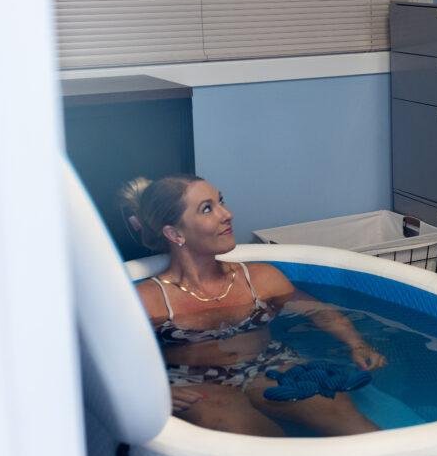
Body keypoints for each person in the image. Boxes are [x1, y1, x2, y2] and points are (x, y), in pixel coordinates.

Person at [121, 174, 385, 437]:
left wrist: (356, 343)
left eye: (221, 201)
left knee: (338, 412)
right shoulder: (149, 299)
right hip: (191, 380)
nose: (227, 214)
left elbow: (318, 311)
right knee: (240, 429)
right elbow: (111, 359)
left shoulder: (260, 279)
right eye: (207, 209)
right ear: (175, 233)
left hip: (267, 363)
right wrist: (155, 391)